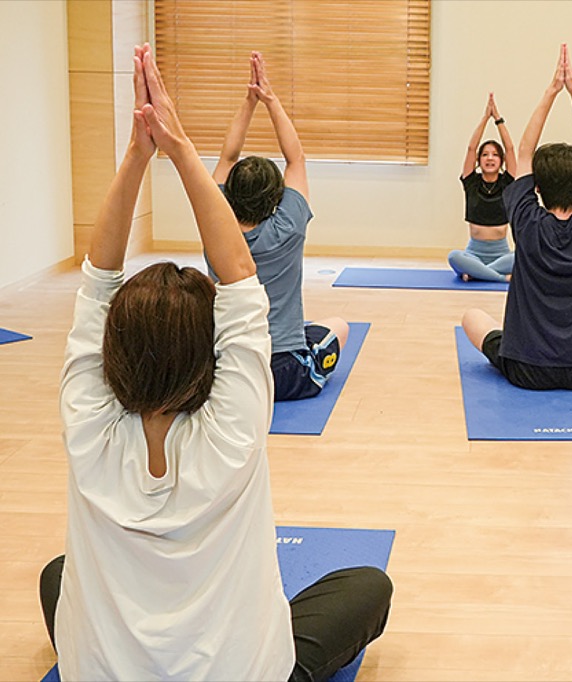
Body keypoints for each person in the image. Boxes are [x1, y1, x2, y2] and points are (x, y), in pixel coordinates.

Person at [40, 44, 392, 681]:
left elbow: (96, 284)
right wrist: (175, 147)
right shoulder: (234, 430)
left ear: (112, 349)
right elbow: (239, 279)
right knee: (368, 587)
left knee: (57, 576)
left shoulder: (86, 425)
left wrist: (138, 155)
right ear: (212, 351)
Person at [461, 44, 572, 390]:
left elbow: (523, 152)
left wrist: (551, 91)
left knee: (472, 317)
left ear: (535, 187)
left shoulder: (527, 222)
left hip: (527, 370)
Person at [211, 51, 348, 402]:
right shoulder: (288, 227)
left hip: (225, 369)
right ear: (277, 195)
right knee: (338, 327)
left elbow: (227, 156)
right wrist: (269, 99)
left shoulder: (215, 227)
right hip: (281, 370)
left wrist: (249, 102)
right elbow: (295, 158)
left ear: (229, 192)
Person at [450, 93, 518, 282]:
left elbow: (510, 149)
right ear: (479, 160)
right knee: (454, 256)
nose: (490, 158)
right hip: (473, 253)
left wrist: (498, 119)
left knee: (523, 255)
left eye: (495, 155)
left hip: (502, 255)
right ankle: (499, 277)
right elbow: (471, 148)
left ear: (501, 160)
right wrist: (484, 118)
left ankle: (477, 273)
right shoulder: (471, 182)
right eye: (485, 155)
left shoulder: (507, 183)